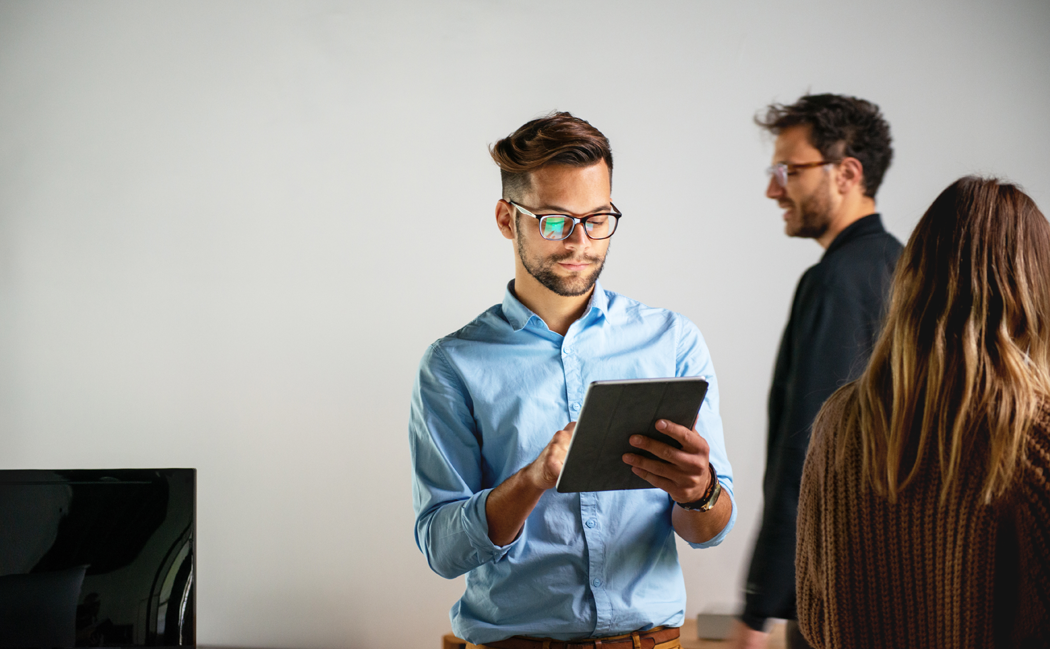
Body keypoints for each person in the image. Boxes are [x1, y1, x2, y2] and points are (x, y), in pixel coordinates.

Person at [410, 112, 736, 649]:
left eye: (598, 217)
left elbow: (711, 530)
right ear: (504, 218)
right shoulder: (454, 364)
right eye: (556, 220)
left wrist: (699, 491)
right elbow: (442, 550)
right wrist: (531, 479)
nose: (580, 241)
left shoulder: (672, 341)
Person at [796, 176, 1050, 647]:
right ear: (1034, 290)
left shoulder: (838, 422)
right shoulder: (1037, 431)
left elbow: (814, 614)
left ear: (913, 278)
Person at [730, 94, 903, 649]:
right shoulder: (904, 268)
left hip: (837, 601)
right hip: (899, 590)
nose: (773, 189)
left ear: (847, 173)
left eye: (789, 170)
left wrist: (759, 608)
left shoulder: (834, 280)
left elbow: (809, 456)